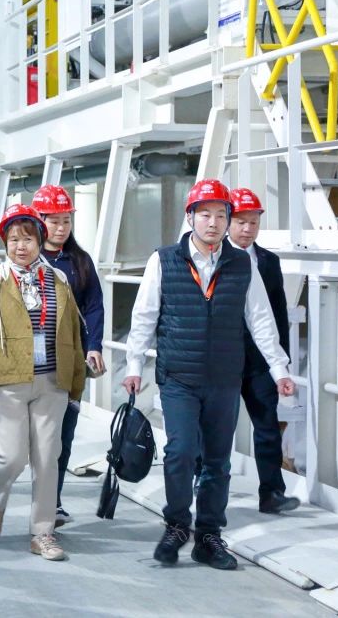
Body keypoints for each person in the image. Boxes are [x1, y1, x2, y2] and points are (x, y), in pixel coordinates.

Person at [124, 179, 295, 571]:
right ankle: (176, 525)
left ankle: (208, 537)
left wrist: (278, 368)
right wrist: (134, 365)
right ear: (190, 218)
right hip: (178, 376)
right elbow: (144, 315)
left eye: (221, 215)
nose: (214, 223)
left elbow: (261, 319)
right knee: (181, 451)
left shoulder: (242, 264)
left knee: (218, 461)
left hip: (224, 378)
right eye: (205, 214)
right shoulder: (164, 260)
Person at [0, 204, 86, 562]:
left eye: (28, 240)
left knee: (48, 458)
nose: (21, 247)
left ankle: (42, 532)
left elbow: (73, 333)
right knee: (11, 456)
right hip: (9, 381)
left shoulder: (57, 279)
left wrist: (76, 382)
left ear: (39, 241)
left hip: (52, 381)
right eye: (14, 240)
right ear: (5, 243)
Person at [32, 184, 104, 527]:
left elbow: (94, 307)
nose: (61, 228)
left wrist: (94, 346)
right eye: (54, 221)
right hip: (33, 365)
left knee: (63, 435)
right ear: (39, 221)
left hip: (70, 363)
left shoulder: (79, 261)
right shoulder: (26, 260)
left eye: (66, 221)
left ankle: (53, 502)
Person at [227, 188, 299, 515]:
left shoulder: (269, 261)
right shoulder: (215, 259)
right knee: (213, 428)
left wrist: (281, 365)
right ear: (228, 222)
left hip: (260, 362)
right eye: (241, 222)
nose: (247, 229)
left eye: (253, 222)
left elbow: (278, 314)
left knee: (268, 426)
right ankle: (203, 485)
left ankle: (272, 493)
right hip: (224, 360)